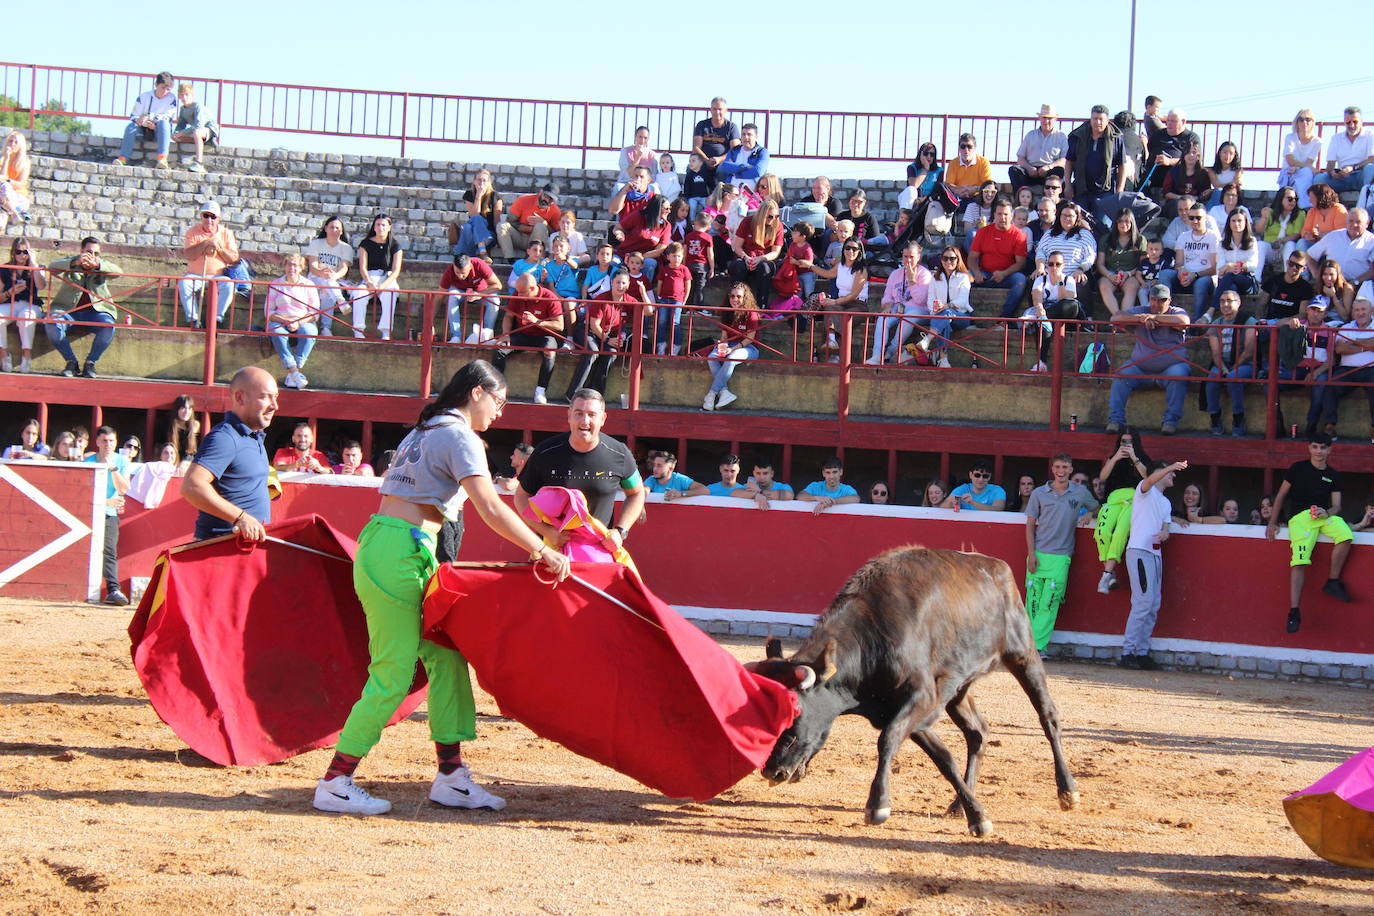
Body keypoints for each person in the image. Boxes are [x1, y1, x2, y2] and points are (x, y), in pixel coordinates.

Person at [315, 361, 570, 816]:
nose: (500, 411)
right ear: (476, 393)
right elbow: (489, 507)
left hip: (397, 544)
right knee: (392, 672)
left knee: (446, 654)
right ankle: (336, 779)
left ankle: (451, 775)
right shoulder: (459, 436)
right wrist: (541, 550)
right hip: (402, 550)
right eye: (499, 400)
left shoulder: (427, 428)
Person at [516, 389, 646, 540]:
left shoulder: (620, 454)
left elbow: (637, 492)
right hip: (553, 552)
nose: (585, 421)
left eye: (592, 415)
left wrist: (620, 531)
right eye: (579, 413)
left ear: (603, 419)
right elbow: (521, 497)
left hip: (599, 551)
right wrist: (547, 531)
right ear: (569, 415)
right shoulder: (545, 452)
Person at [1267, 433, 1354, 634]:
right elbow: (1281, 495)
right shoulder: (1298, 468)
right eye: (1315, 447)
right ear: (1309, 448)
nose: (1318, 451)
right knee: (1299, 561)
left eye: (1322, 447)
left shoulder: (1333, 474)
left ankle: (1333, 581)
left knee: (1345, 535)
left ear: (1329, 450)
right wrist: (1272, 521)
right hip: (1300, 518)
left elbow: (1337, 506)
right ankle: (1294, 611)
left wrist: (1327, 512)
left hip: (1322, 516)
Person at [182, 367, 278, 542]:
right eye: (265, 397)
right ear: (240, 397)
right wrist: (241, 517)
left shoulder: (254, 437)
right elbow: (191, 486)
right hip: (221, 549)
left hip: (243, 548)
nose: (274, 406)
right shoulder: (225, 437)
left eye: (276, 397)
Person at [1024, 453, 1100, 652]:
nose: (1061, 471)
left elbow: (1099, 508)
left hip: (1061, 556)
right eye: (1057, 467)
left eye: (1065, 467)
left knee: (1049, 602)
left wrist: (1090, 514)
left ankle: (1036, 647)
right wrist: (1031, 554)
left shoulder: (1080, 492)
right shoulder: (1039, 493)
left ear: (1071, 469)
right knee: (1033, 601)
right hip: (1039, 553)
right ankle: (1028, 645)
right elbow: (1030, 525)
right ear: (1052, 469)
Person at [1119, 459, 1188, 670]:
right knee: (1143, 602)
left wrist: (1166, 533)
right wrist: (1169, 467)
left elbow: (1166, 526)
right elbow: (1149, 479)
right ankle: (1127, 652)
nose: (1173, 476)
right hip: (1139, 551)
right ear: (1159, 472)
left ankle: (1141, 651)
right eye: (1169, 473)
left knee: (1153, 603)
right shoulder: (1144, 491)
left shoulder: (1165, 502)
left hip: (1155, 556)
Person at [1107, 284, 1191, 436]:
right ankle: (1115, 420)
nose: (1156, 304)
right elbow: (1115, 318)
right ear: (1149, 299)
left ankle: (1170, 422)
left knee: (1179, 375)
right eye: (1153, 300)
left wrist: (1155, 318)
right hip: (1140, 367)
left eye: (1161, 300)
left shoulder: (1176, 311)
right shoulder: (1141, 311)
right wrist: (1140, 319)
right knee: (1120, 375)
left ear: (1169, 300)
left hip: (1171, 367)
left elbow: (1184, 321)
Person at [44, 237, 122, 379]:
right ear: (81, 251)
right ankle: (71, 362)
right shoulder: (72, 261)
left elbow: (118, 272)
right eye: (88, 252)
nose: (92, 256)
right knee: (51, 322)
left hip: (97, 312)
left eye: (96, 253)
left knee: (109, 326)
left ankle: (90, 363)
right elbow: (52, 266)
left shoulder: (101, 264)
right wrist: (75, 262)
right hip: (68, 310)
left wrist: (97, 265)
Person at [492, 273, 565, 405]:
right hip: (522, 334)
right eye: (518, 292)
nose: (519, 295)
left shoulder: (550, 297)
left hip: (544, 335)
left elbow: (559, 325)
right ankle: (497, 388)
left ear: (532, 288)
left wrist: (537, 322)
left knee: (550, 352)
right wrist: (506, 334)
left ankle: (541, 390)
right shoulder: (517, 293)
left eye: (522, 292)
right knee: (500, 349)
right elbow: (508, 316)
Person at [1094, 427, 1151, 593]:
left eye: (1129, 441)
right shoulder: (1114, 457)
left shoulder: (1143, 457)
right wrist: (1115, 458)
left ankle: (1106, 574)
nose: (1126, 445)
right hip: (1112, 501)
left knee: (1120, 533)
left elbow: (1148, 477)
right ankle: (1108, 575)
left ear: (1135, 442)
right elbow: (1103, 476)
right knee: (1101, 532)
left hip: (1134, 501)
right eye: (1123, 441)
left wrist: (1134, 457)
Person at [84, 426, 132, 606]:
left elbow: (124, 489)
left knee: (109, 551)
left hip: (109, 514)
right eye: (104, 441)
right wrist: (105, 502)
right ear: (97, 442)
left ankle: (113, 589)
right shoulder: (88, 462)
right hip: (90, 513)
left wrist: (113, 469)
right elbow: (81, 495)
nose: (108, 444)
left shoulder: (121, 461)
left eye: (111, 441)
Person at [178, 201, 239, 329]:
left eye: (213, 216)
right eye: (206, 216)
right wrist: (205, 243)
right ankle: (193, 319)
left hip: (218, 276)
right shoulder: (192, 232)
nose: (209, 220)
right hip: (195, 275)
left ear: (219, 219)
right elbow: (189, 255)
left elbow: (233, 259)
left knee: (229, 284)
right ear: (201, 217)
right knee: (184, 283)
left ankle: (216, 318)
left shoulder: (226, 234)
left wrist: (220, 249)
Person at [1204, 290, 1258, 436]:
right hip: (1222, 363)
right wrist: (1223, 368)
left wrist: (1232, 369)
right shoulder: (1216, 324)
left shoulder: (1248, 321)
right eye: (1222, 301)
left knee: (1233, 378)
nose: (1225, 304)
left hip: (1246, 364)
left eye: (1229, 300)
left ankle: (1238, 417)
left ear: (1238, 303)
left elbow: (1249, 351)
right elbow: (1215, 352)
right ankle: (1214, 416)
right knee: (1212, 379)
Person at [1319, 295, 1374, 437]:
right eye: (1356, 310)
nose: (1360, 313)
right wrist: (1368, 345)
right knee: (1330, 386)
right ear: (1352, 312)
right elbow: (1340, 349)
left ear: (1371, 311)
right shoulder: (1346, 327)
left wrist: (1353, 342)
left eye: (1363, 310)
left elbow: (1347, 346)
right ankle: (1330, 426)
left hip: (1371, 369)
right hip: (1347, 370)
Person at [868, 242, 931, 365]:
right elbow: (888, 296)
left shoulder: (924, 274)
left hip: (919, 310)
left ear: (918, 257)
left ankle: (890, 351)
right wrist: (887, 305)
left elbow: (920, 300)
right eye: (905, 257)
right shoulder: (895, 274)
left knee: (908, 319)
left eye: (911, 257)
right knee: (882, 318)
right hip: (898, 307)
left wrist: (912, 280)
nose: (907, 260)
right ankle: (877, 355)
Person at [265, 255, 321, 390]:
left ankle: (293, 373)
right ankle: (295, 373)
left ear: (301, 268)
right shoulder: (276, 284)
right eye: (289, 264)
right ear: (284, 266)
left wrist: (298, 322)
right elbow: (268, 311)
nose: (292, 268)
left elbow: (315, 311)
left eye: (295, 265)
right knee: (276, 332)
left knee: (310, 332)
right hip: (281, 320)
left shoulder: (309, 285)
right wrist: (285, 321)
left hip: (302, 321)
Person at [703, 282, 761, 411]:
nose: (735, 299)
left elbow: (749, 339)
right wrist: (722, 347)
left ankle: (711, 394)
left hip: (749, 348)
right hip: (731, 344)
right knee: (712, 357)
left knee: (731, 358)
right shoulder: (727, 312)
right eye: (732, 296)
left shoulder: (751, 313)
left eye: (739, 296)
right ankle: (724, 393)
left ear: (745, 298)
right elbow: (724, 336)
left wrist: (731, 349)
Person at [969, 199, 1029, 319]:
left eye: (1006, 214)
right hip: (985, 274)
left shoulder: (1019, 235)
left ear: (1011, 216)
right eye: (999, 214)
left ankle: (1004, 318)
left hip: (1007, 276)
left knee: (1021, 280)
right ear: (994, 215)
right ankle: (966, 315)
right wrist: (976, 273)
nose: (1003, 217)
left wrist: (1004, 273)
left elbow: (1020, 263)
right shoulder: (983, 232)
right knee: (964, 278)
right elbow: (971, 258)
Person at [1026, 254, 1085, 372]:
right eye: (1051, 264)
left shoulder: (1068, 280)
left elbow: (1066, 298)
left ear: (1063, 266)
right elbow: (1036, 296)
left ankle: (1037, 317)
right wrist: (1039, 307)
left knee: (1070, 305)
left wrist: (1059, 282)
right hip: (1048, 316)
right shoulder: (1040, 279)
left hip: (1066, 315)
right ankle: (1041, 362)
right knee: (1044, 321)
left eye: (1057, 264)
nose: (1054, 267)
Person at [1064, 105, 1126, 214]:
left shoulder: (1115, 138)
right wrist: (1068, 185)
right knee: (1080, 223)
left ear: (1107, 121)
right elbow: (1069, 161)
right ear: (1090, 119)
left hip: (1105, 191)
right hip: (1081, 189)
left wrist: (1120, 189)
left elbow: (1122, 165)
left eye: (1101, 119)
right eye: (1095, 119)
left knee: (1102, 226)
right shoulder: (1078, 136)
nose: (1097, 122)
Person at [353, 214, 404, 340]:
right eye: (378, 224)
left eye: (383, 225)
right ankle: (358, 331)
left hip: (387, 278)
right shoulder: (365, 244)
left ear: (389, 227)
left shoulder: (395, 245)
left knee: (389, 294)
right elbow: (363, 267)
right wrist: (369, 283)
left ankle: (386, 331)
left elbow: (396, 270)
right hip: (370, 277)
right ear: (374, 227)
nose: (380, 227)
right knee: (359, 294)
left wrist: (383, 286)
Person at [727, 199, 785, 309]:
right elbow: (737, 246)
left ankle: (761, 306)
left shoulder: (778, 226)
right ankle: (737, 304)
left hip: (765, 259)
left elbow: (775, 252)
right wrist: (745, 257)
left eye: (776, 216)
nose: (773, 219)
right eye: (770, 216)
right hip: (745, 257)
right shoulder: (747, 221)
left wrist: (761, 258)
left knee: (765, 268)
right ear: (762, 214)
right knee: (738, 266)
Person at [113, 71, 177, 168]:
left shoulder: (172, 98)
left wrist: (149, 117)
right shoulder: (144, 96)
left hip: (159, 131)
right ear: (156, 85)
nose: (165, 92)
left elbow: (167, 117)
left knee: (164, 124)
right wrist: (145, 123)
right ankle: (123, 158)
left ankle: (162, 158)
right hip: (143, 131)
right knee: (131, 127)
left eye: (168, 89)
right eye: (163, 88)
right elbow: (133, 116)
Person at [303, 216, 353, 337]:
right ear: (326, 228)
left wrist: (334, 275)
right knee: (328, 285)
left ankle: (324, 328)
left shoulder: (346, 248)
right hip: (315, 279)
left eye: (337, 228)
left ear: (341, 231)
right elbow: (313, 266)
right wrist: (322, 274)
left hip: (334, 281)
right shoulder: (316, 243)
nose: (334, 230)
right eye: (331, 227)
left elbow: (344, 268)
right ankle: (340, 302)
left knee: (326, 292)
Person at [1209, 208, 1262, 320]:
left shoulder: (1252, 241)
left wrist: (1238, 266)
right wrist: (1230, 267)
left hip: (1246, 280)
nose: (1236, 224)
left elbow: (1253, 265)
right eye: (1233, 221)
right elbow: (1220, 269)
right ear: (1229, 223)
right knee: (1231, 286)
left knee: (1229, 276)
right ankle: (1232, 319)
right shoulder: (1223, 243)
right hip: (1228, 280)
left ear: (1245, 223)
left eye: (1239, 220)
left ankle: (1211, 311)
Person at [1, 237, 43, 373]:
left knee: (25, 317)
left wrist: (34, 263)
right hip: (10, 303)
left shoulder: (35, 267)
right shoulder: (5, 269)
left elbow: (41, 285)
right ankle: (4, 355)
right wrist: (9, 292)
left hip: (30, 305)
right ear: (13, 252)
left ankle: (26, 356)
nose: (21, 255)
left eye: (25, 252)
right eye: (18, 252)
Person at [1306, 208, 1374, 291]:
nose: (1354, 225)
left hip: (1359, 287)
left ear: (1367, 223)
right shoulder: (1333, 236)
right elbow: (1310, 256)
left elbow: (1373, 271)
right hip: (1331, 284)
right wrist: (1317, 275)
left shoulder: (1371, 241)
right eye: (1351, 221)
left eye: (1358, 222)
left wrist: (1355, 282)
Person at [440, 253, 501, 344]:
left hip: (482, 292)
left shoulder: (479, 264)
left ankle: (487, 336)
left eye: (463, 273)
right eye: (457, 272)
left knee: (495, 300)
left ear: (470, 266)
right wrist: (429, 323)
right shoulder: (449, 271)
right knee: (452, 296)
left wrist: (479, 294)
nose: (460, 276)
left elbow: (498, 285)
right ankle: (456, 337)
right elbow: (439, 295)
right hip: (461, 292)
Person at [1173, 202, 1220, 317]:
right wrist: (1181, 271)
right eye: (1191, 218)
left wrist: (1195, 275)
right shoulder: (1183, 236)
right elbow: (1178, 263)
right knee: (1165, 275)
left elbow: (1215, 268)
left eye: (1198, 218)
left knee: (1200, 283)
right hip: (1186, 276)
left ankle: (1196, 324)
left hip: (1205, 278)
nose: (1195, 221)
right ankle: (1164, 316)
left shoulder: (1213, 237)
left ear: (1206, 218)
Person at [1010, 104, 1068, 194]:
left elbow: (1064, 159)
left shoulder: (1061, 137)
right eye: (1044, 118)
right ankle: (1020, 199)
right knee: (1014, 170)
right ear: (1039, 118)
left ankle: (1054, 200)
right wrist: (1029, 168)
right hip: (1031, 170)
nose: (1046, 121)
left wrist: (1049, 167)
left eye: (1049, 118)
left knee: (1059, 171)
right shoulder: (1030, 135)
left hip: (1049, 172)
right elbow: (1020, 158)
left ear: (1055, 119)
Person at [1097, 209, 1146, 316]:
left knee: (1132, 286)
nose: (1123, 224)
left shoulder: (1140, 240)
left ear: (1132, 222)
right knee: (1103, 285)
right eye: (1120, 221)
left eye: (1127, 221)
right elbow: (1100, 263)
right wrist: (1109, 275)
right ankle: (1118, 316)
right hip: (1110, 273)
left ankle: (1124, 316)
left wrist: (1128, 274)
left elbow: (1143, 265)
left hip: (1131, 274)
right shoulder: (1106, 239)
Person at [1034, 200, 1097, 283]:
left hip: (1075, 276)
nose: (1067, 218)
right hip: (1049, 275)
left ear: (1077, 218)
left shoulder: (1084, 234)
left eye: (1070, 216)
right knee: (1034, 280)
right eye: (1064, 215)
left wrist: (1081, 269)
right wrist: (1040, 267)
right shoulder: (1050, 233)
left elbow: (1090, 256)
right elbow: (1041, 251)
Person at [1315, 106, 1374, 193]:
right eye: (1348, 122)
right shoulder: (1336, 138)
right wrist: (1333, 173)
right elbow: (1330, 165)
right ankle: (1321, 206)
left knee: (1370, 168)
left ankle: (1368, 200)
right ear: (1344, 122)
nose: (1352, 125)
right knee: (1319, 178)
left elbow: (1372, 159)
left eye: (1355, 122)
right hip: (1342, 178)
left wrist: (1353, 168)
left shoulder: (1370, 135)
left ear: (1361, 122)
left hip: (1362, 175)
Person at [450, 168, 504, 259]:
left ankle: (461, 256)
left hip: (489, 235)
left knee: (471, 224)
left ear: (488, 183)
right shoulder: (469, 194)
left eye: (484, 180)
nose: (481, 183)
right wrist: (478, 196)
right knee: (470, 225)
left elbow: (497, 221)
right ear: (474, 182)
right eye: (479, 180)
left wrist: (499, 240)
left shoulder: (495, 196)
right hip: (472, 233)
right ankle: (480, 251)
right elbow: (474, 214)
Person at [691, 97, 741, 190]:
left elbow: (735, 150)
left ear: (726, 110)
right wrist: (706, 160)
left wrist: (719, 159)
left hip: (723, 161)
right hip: (703, 160)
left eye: (720, 109)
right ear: (710, 110)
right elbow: (696, 148)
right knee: (693, 168)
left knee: (723, 169)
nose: (717, 112)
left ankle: (721, 196)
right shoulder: (702, 125)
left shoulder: (731, 127)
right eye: (714, 109)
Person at [1146, 109, 1200, 192]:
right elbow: (1148, 151)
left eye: (1173, 121)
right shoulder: (1158, 135)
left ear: (1183, 122)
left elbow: (1194, 160)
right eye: (1168, 121)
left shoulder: (1191, 137)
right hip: (1153, 181)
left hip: (1177, 184)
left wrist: (1169, 161)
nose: (1169, 124)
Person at [1255, 187, 1307, 271]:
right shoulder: (1271, 212)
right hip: (1271, 249)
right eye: (1290, 199)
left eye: (1295, 199)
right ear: (1281, 198)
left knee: (1290, 244)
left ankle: (1288, 276)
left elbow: (1297, 235)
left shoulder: (1300, 214)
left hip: (1286, 249)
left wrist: (1281, 241)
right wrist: (1264, 218)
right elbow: (1258, 230)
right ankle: (1256, 279)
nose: (1293, 201)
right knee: (1260, 244)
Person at [170, 83, 218, 173]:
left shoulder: (197, 106)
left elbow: (198, 126)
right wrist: (176, 134)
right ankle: (201, 142)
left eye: (186, 94)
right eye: (181, 95)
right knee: (175, 137)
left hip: (208, 129)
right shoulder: (183, 109)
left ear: (192, 95)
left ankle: (199, 163)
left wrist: (181, 133)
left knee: (197, 132)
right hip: (195, 132)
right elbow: (180, 125)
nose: (184, 97)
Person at [1278, 109, 1322, 202]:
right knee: (1306, 171)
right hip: (1289, 171)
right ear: (1297, 122)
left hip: (1303, 172)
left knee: (1306, 172)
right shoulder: (1290, 137)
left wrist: (1298, 168)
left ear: (1313, 122)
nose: (1304, 122)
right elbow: (1290, 160)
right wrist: (1303, 168)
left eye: (1308, 119)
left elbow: (1309, 162)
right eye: (1301, 119)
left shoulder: (1317, 141)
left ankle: (1303, 204)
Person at [505, 183, 562, 255]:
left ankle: (535, 257)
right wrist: (529, 229)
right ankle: (509, 259)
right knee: (502, 226)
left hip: (537, 241)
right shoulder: (523, 200)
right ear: (541, 192)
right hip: (518, 237)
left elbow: (556, 234)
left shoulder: (555, 211)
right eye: (546, 196)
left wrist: (545, 224)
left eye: (551, 199)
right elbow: (510, 221)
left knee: (540, 226)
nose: (547, 200)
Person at [716, 123, 769, 190]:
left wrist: (737, 174)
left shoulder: (763, 152)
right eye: (743, 134)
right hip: (731, 194)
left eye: (749, 134)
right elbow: (725, 166)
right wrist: (746, 166)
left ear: (756, 137)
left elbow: (758, 171)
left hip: (753, 195)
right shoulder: (734, 150)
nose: (746, 137)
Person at [0, 129, 32, 234]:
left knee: (4, 185)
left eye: (15, 142)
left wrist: (8, 181)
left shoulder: (25, 162)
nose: (12, 144)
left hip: (18, 198)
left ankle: (12, 212)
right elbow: (2, 177)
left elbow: (21, 184)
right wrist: (6, 158)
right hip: (4, 198)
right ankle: (13, 214)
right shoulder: (3, 159)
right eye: (10, 141)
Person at [945, 133, 993, 199]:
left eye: (969, 146)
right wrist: (958, 190)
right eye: (963, 147)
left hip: (978, 197)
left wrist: (974, 189)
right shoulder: (953, 163)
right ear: (959, 149)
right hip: (958, 198)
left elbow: (988, 184)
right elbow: (948, 185)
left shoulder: (983, 162)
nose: (966, 150)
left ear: (975, 148)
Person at [1301, 183, 1348, 249]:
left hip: (1333, 244)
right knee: (1302, 242)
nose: (1309, 201)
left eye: (1312, 198)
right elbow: (1305, 229)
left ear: (1320, 197)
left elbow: (1341, 234)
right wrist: (1307, 235)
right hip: (1316, 243)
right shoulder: (1312, 211)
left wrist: (1323, 235)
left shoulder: (1338, 209)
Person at [901, 143, 943, 209]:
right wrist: (925, 169)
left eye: (932, 154)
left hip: (929, 201)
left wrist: (925, 199)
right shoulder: (912, 168)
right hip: (911, 200)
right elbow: (913, 185)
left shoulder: (939, 171)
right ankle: (904, 217)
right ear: (921, 154)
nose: (929, 157)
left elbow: (938, 191)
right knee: (910, 190)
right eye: (926, 154)